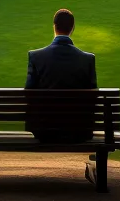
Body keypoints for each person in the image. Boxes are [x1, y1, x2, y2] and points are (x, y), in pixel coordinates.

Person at [25, 8, 97, 141]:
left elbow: (29, 94)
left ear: (54, 27)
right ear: (72, 28)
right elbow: (92, 98)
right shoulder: (88, 60)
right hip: (79, 132)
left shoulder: (36, 57)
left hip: (44, 131)